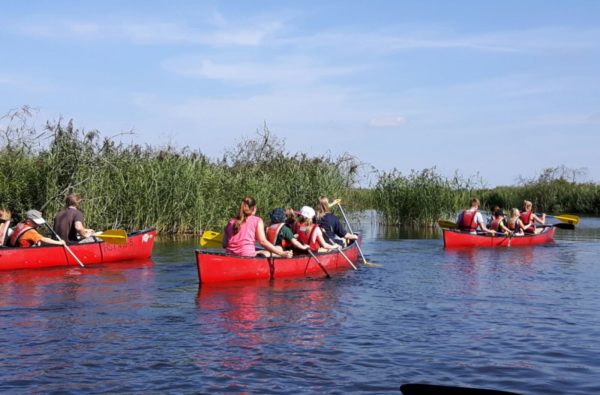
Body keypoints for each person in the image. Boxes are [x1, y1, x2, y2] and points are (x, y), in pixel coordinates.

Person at [222, 196, 293, 258]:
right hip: (247, 257)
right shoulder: (257, 220)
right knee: (276, 249)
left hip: (230, 255)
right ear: (254, 208)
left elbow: (224, 244)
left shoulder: (231, 221)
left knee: (260, 251)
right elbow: (262, 242)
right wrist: (282, 253)